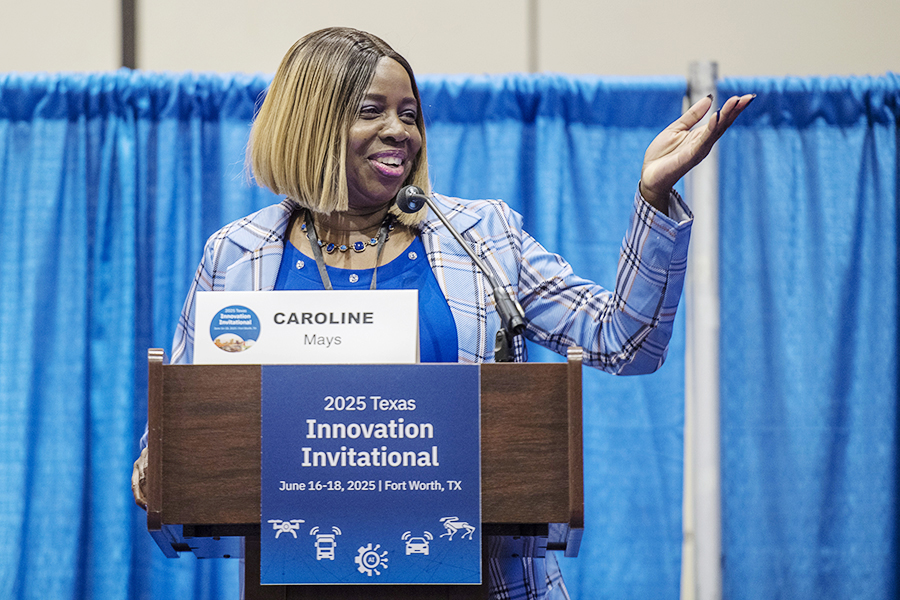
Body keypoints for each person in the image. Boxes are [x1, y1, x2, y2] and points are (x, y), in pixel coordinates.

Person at [132, 26, 753, 599]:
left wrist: (652, 197)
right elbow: (185, 435)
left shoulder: (482, 237)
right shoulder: (237, 254)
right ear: (309, 124)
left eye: (410, 114)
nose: (401, 131)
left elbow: (625, 341)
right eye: (371, 111)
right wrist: (155, 469)